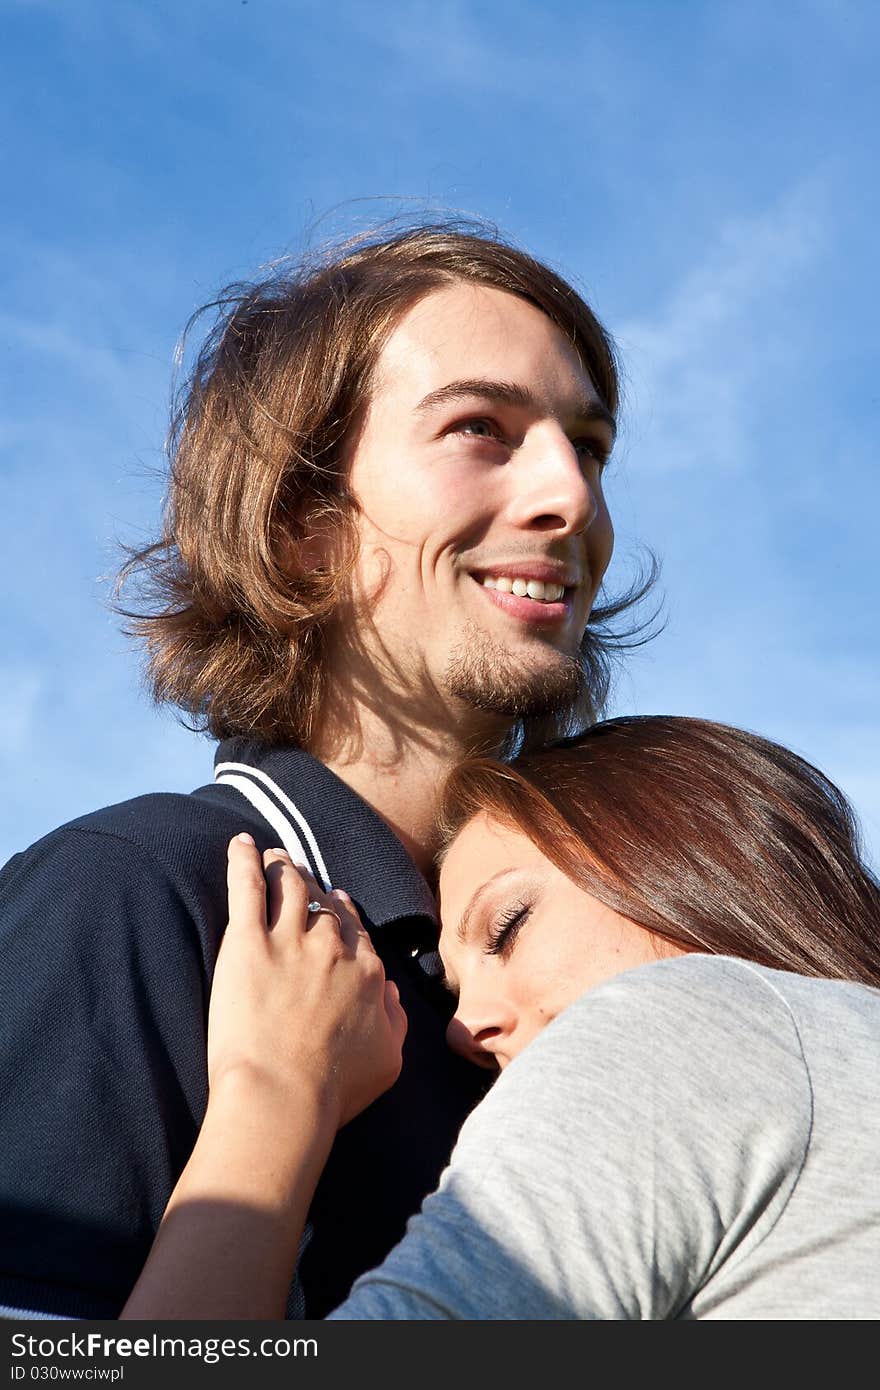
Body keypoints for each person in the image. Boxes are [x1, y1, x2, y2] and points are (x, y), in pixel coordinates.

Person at [0, 220, 646, 1319]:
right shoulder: (134, 896)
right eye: (480, 428)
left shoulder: (594, 947)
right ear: (308, 528)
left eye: (586, 446)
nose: (572, 500)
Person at [121, 715, 880, 1321]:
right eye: (452, 993)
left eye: (507, 925)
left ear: (695, 848)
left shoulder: (673, 1028)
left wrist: (276, 1090)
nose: (462, 1029)